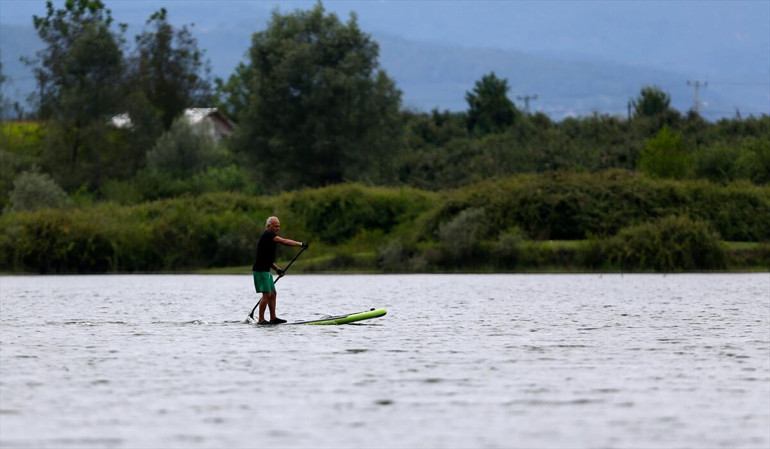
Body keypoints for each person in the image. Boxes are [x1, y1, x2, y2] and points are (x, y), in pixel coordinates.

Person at [251, 216, 307, 324]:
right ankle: (261, 320)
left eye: (279, 226)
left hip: (265, 269)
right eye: (276, 226)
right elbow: (285, 241)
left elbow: (267, 259)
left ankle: (273, 318)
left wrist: (277, 269)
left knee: (273, 293)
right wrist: (300, 244)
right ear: (269, 226)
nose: (278, 228)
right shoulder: (268, 235)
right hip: (260, 270)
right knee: (266, 295)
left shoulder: (270, 238)